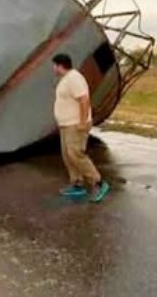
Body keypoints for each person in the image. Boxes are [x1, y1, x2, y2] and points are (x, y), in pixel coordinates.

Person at [53, 53, 110, 203]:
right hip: (66, 125)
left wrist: (83, 122)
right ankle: (77, 185)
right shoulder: (66, 79)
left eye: (54, 65)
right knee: (67, 155)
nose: (53, 68)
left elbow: (84, 100)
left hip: (75, 124)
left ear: (60, 65)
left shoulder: (74, 78)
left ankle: (99, 183)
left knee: (76, 154)